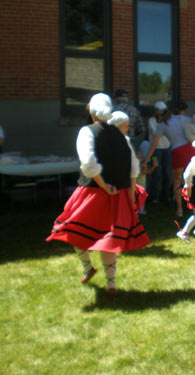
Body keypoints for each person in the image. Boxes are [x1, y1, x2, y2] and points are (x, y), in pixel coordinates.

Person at [46, 93, 150, 295]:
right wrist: (130, 193)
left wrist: (103, 184)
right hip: (117, 194)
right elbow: (133, 168)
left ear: (92, 112)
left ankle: (88, 267)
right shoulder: (122, 136)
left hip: (92, 192)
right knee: (108, 240)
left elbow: (89, 164)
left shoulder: (87, 132)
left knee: (72, 230)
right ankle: (110, 283)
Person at [144, 102, 195, 217]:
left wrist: (146, 160)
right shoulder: (179, 118)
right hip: (190, 149)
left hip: (177, 151)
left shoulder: (161, 125)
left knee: (177, 181)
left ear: (159, 115)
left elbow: (153, 145)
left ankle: (179, 209)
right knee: (188, 180)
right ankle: (191, 207)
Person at [108, 111, 151, 215]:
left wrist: (132, 190)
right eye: (125, 126)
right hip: (112, 185)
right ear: (116, 127)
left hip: (123, 184)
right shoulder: (112, 141)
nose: (127, 129)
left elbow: (134, 165)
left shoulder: (124, 140)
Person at [147, 101, 173, 204]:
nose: (162, 114)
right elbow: (156, 133)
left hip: (167, 149)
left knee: (167, 172)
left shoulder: (169, 121)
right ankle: (155, 196)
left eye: (163, 112)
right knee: (156, 172)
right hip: (155, 150)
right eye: (160, 112)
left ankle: (166, 195)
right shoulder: (151, 121)